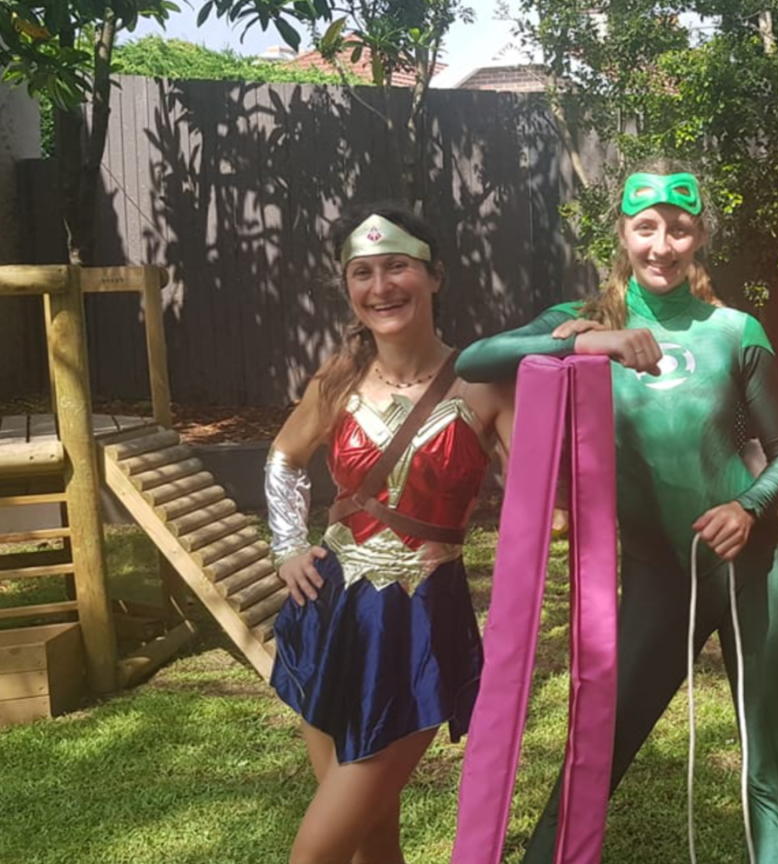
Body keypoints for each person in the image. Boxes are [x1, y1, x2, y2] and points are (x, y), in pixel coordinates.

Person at [456, 161, 778, 864]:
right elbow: (476, 359)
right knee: (596, 747)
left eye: (679, 230)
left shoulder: (734, 331)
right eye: (646, 228)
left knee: (766, 760)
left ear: (699, 237)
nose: (661, 246)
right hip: (657, 575)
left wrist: (749, 506)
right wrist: (588, 342)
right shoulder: (581, 320)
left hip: (753, 570)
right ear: (622, 233)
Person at [265, 203, 517, 864]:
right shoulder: (338, 379)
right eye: (363, 273)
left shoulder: (485, 384)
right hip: (327, 612)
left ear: (433, 276)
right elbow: (285, 457)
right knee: (373, 839)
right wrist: (287, 545)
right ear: (347, 287)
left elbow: (545, 496)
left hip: (416, 623)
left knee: (315, 854)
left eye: (398, 267)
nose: (381, 287)